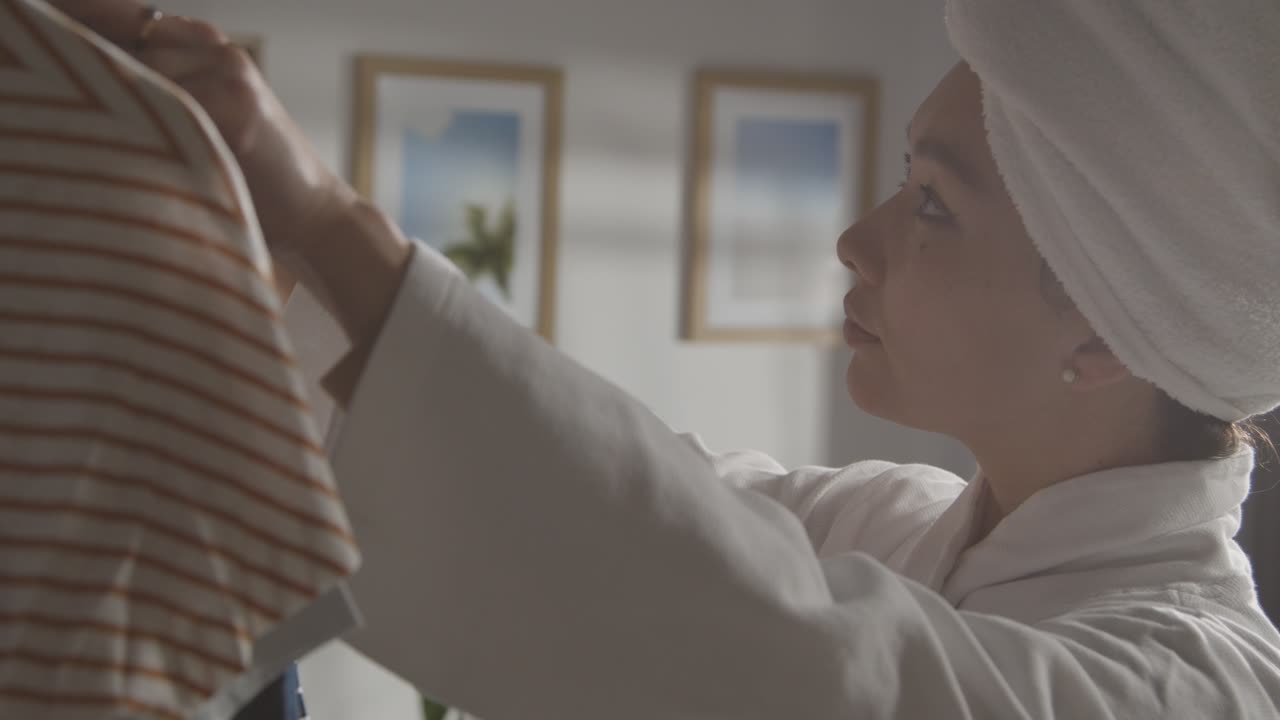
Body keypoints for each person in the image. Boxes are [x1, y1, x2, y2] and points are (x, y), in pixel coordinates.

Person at [51, 0, 1280, 717]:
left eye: (932, 207)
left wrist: (329, 224)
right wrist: (238, 250)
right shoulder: (888, 526)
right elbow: (602, 501)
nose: (856, 241)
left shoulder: (1191, 686)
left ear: (1104, 334)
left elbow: (767, 654)